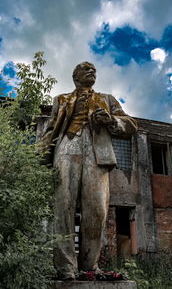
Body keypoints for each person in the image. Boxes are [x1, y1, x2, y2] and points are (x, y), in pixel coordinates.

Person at [41, 62, 137, 279]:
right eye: (86, 69)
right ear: (75, 77)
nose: (92, 71)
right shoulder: (61, 99)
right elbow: (51, 129)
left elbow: (131, 125)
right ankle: (66, 267)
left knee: (97, 208)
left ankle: (89, 267)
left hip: (98, 151)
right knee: (62, 204)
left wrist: (111, 120)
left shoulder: (107, 99)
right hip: (67, 146)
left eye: (94, 69)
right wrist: (39, 156)